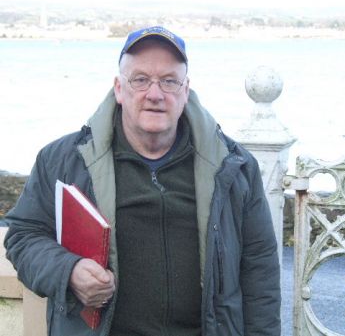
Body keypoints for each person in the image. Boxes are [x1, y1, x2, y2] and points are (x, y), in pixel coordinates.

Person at [4, 26, 281, 336]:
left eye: (169, 81)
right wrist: (68, 271)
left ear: (185, 90)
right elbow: (23, 236)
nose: (155, 93)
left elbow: (260, 272)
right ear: (119, 89)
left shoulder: (235, 167)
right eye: (140, 79)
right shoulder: (63, 160)